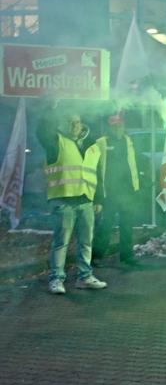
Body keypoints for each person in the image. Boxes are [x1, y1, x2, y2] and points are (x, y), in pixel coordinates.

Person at [38, 111, 107, 295]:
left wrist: (99, 198)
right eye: (69, 122)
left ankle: (85, 277)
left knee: (86, 241)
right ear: (62, 124)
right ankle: (56, 279)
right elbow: (42, 131)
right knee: (61, 243)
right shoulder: (55, 142)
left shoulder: (92, 145)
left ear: (82, 124)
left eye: (76, 122)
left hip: (86, 201)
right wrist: (50, 107)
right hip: (64, 201)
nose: (74, 125)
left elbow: (97, 174)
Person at [90, 114, 143, 268]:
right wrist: (98, 195)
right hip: (109, 193)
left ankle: (127, 256)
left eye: (120, 126)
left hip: (127, 191)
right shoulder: (101, 143)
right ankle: (97, 256)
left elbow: (134, 164)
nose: (118, 128)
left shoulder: (129, 141)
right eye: (114, 126)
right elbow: (96, 169)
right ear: (109, 127)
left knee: (127, 225)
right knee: (105, 226)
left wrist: (137, 187)